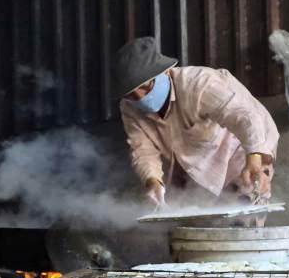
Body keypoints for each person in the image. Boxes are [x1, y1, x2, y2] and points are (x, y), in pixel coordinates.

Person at [114, 37, 279, 211]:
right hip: (197, 159)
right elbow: (143, 150)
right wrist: (153, 181)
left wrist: (253, 159)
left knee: (244, 213)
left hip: (242, 147)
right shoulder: (129, 107)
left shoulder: (199, 83)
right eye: (132, 94)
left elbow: (243, 117)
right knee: (196, 224)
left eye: (146, 87)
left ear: (165, 72)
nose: (140, 97)